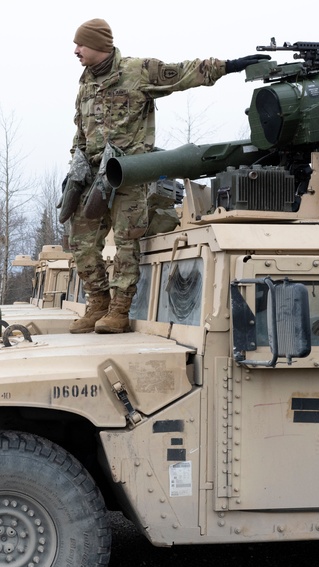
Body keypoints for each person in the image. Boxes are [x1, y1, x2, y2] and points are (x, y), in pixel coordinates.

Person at [66, 18, 267, 334]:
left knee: (126, 241)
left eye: (81, 44)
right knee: (81, 239)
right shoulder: (86, 84)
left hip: (129, 173)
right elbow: (81, 131)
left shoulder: (137, 71)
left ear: (99, 45)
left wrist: (230, 66)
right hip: (93, 176)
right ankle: (98, 304)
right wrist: (74, 170)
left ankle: (119, 311)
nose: (76, 50)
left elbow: (184, 73)